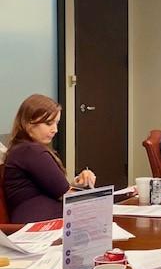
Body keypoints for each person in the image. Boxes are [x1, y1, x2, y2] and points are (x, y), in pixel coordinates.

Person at [3, 94, 96, 223]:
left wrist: (77, 183)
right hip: (37, 224)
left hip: (41, 221)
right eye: (48, 123)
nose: (55, 130)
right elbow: (66, 194)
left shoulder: (22, 149)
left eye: (56, 123)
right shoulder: (31, 151)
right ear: (28, 123)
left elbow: (54, 188)